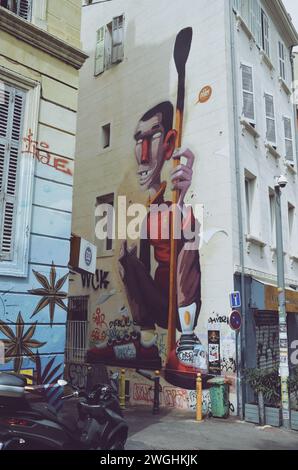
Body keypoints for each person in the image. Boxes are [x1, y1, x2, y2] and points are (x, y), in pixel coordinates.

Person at [88, 102, 204, 371]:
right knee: (124, 257)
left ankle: (186, 340)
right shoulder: (151, 206)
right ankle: (148, 344)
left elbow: (185, 234)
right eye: (138, 140)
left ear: (168, 142)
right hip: (158, 304)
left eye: (151, 138)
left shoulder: (174, 203)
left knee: (188, 233)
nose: (142, 155)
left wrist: (184, 198)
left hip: (182, 306)